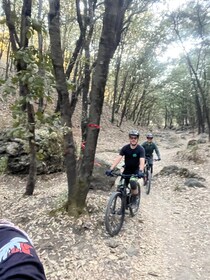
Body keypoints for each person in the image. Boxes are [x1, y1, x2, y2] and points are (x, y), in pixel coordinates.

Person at [106, 129, 145, 203]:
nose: (133, 139)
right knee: (120, 187)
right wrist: (111, 169)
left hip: (136, 170)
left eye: (135, 138)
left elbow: (142, 160)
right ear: (129, 138)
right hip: (126, 169)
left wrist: (140, 171)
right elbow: (118, 158)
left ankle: (134, 199)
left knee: (133, 182)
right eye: (131, 138)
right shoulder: (125, 148)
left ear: (137, 139)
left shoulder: (141, 149)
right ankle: (124, 204)